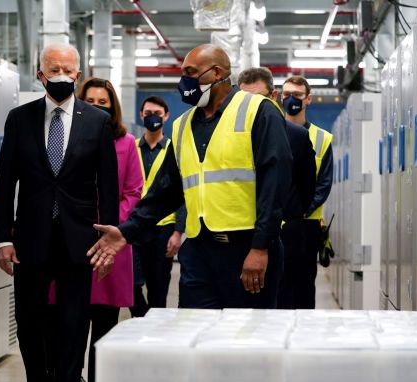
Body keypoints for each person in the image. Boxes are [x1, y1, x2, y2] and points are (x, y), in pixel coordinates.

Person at [88, 45, 292, 309]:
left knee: (246, 340)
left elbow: (275, 184)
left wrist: (261, 246)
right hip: (199, 250)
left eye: (190, 72)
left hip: (246, 248)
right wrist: (127, 232)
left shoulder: (258, 110)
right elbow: (166, 190)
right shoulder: (182, 125)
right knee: (194, 336)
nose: (184, 81)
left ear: (217, 73)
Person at [0, 43, 119, 382]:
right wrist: (3, 238)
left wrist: (107, 239)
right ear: (40, 74)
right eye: (54, 68)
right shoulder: (20, 119)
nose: (62, 74)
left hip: (79, 243)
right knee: (29, 329)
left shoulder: (96, 121)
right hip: (30, 241)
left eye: (68, 68)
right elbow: (4, 184)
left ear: (78, 74)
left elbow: (109, 187)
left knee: (71, 330)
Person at [68, 77, 142, 382]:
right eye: (91, 101)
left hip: (110, 242)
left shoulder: (126, 143)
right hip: (73, 239)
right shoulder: (66, 137)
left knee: (104, 325)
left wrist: (111, 227)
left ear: (112, 107)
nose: (98, 107)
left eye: (104, 102)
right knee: (70, 325)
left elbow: (133, 192)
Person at [237, 67, 317, 309]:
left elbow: (307, 187)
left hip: (287, 231)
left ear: (272, 98)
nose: (251, 106)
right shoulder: (233, 136)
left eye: (258, 99)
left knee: (285, 298)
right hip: (244, 231)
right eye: (244, 99)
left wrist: (288, 214)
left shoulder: (296, 136)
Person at [281, 75, 334, 309]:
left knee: (303, 285)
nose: (291, 99)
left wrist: (300, 210)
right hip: (274, 222)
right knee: (276, 284)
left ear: (308, 99)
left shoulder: (322, 138)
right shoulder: (270, 131)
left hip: (306, 224)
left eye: (297, 95)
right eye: (286, 94)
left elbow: (323, 183)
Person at [130, 96, 185, 317]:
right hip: (135, 225)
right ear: (141, 115)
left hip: (164, 228)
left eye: (158, 114)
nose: (153, 117)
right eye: (148, 113)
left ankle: (154, 336)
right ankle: (142, 318)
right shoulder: (131, 147)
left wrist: (178, 232)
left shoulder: (176, 149)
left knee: (159, 289)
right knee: (131, 284)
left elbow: (183, 193)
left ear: (166, 117)